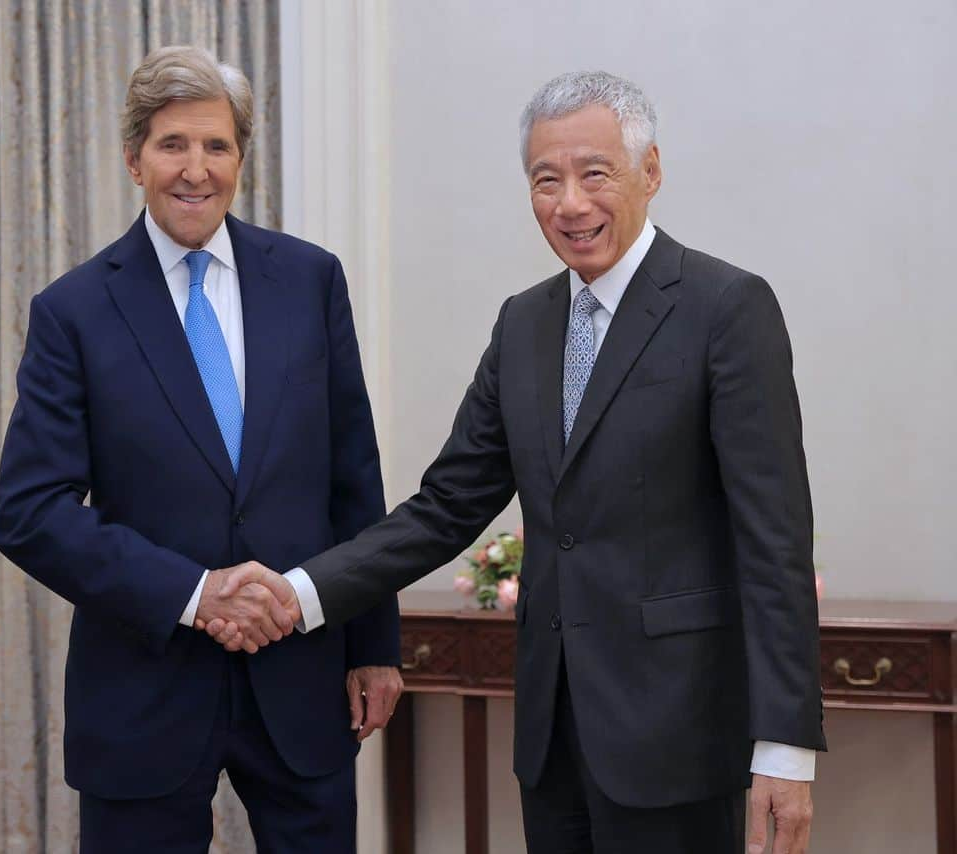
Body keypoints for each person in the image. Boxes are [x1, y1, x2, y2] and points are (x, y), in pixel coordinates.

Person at [208, 71, 825, 854]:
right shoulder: (525, 323)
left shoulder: (727, 308)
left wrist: (784, 751)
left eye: (594, 173)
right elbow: (446, 507)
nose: (570, 203)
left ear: (652, 171)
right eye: (546, 180)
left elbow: (774, 543)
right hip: (551, 735)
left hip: (679, 736)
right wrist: (299, 593)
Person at [0, 45, 402, 854]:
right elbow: (29, 512)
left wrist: (374, 646)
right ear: (134, 159)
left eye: (217, 146)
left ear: (241, 158)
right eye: (173, 144)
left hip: (303, 679)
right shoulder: (73, 311)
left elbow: (353, 476)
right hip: (145, 688)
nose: (196, 169)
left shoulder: (312, 280)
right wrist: (194, 591)